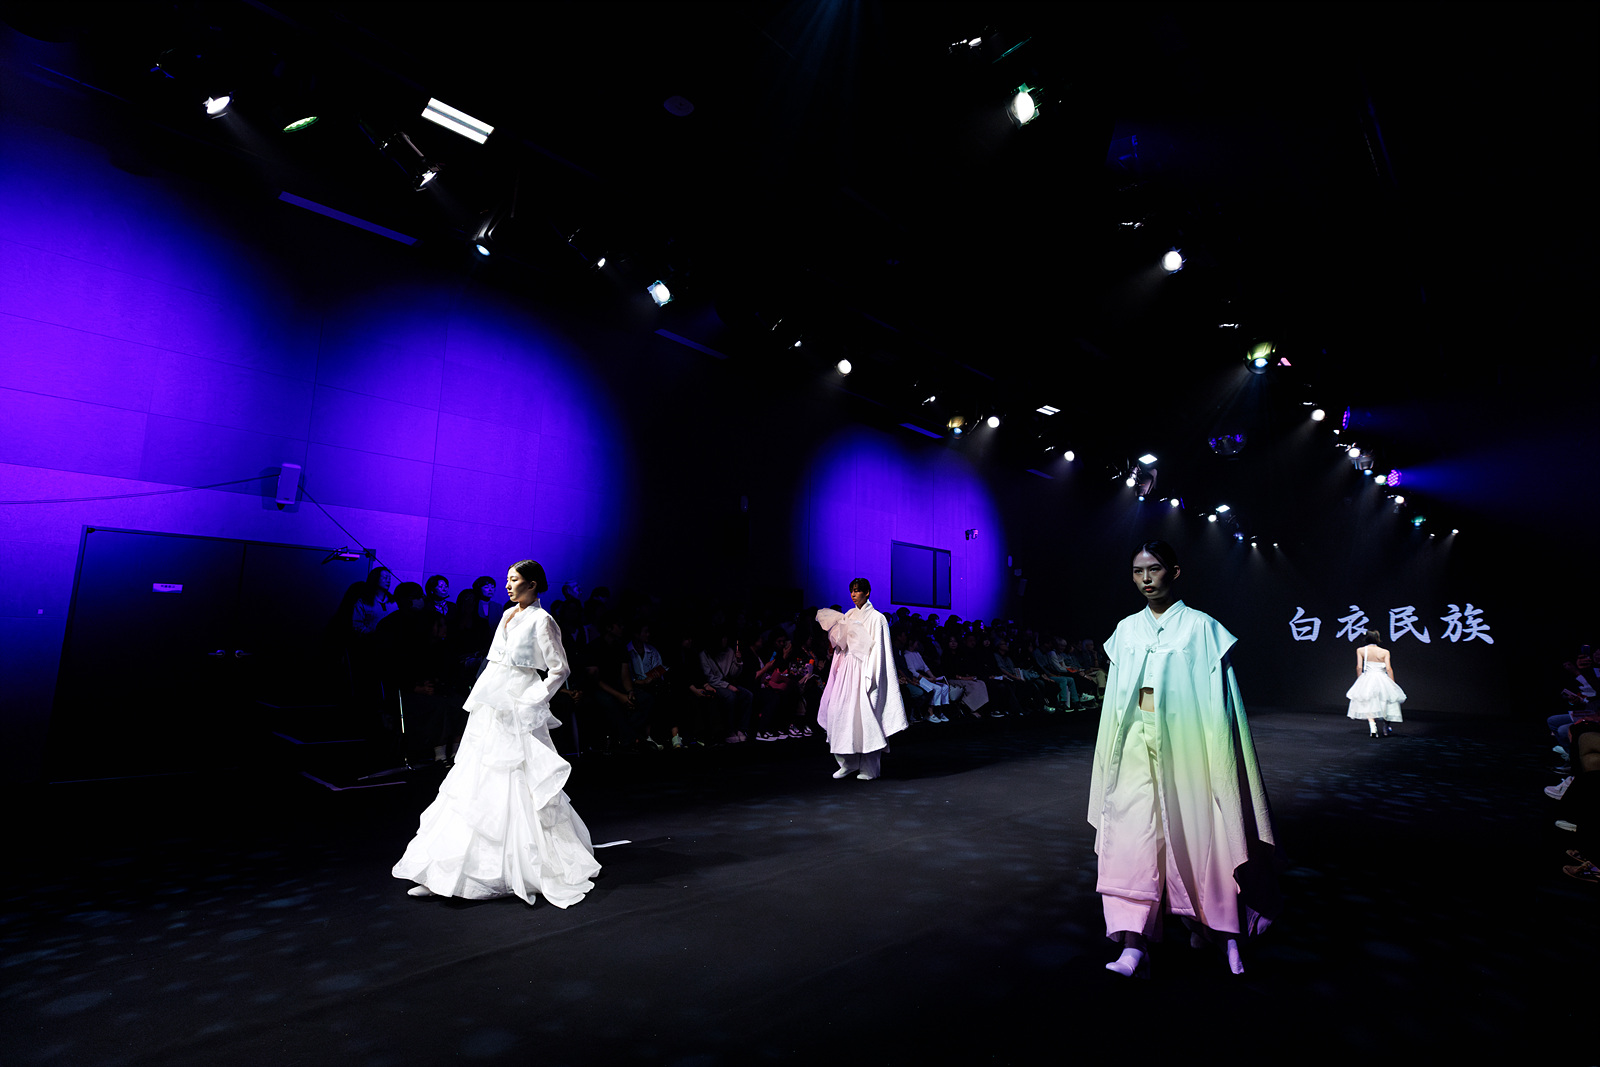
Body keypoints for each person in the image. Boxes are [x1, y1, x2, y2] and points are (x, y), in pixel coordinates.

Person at [1087, 541, 1277, 977]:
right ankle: (1133, 942)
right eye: (1137, 571)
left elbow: (1220, 703)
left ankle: (1223, 932)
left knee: (1203, 837)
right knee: (1131, 840)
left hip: (1190, 748)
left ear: (1174, 571)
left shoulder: (1201, 629)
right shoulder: (1127, 631)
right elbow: (1120, 700)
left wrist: (1215, 756)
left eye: (1154, 569)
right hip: (1135, 749)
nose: (1145, 579)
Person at [393, 559, 600, 908]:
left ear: (532, 584)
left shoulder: (543, 620)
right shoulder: (506, 614)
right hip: (493, 702)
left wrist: (533, 700)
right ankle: (445, 871)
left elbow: (559, 668)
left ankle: (515, 867)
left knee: (517, 777)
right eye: (507, 579)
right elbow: (495, 660)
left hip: (520, 704)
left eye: (514, 579)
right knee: (476, 777)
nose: (508, 585)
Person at [815, 578, 908, 780]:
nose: (853, 594)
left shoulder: (877, 618)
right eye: (852, 590)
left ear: (867, 593)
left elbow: (880, 650)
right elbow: (842, 646)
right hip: (847, 669)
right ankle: (847, 762)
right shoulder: (849, 614)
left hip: (864, 668)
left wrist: (872, 675)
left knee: (866, 717)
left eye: (857, 590)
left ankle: (869, 768)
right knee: (839, 713)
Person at [1346, 629, 1406, 737]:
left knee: (1369, 702)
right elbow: (1389, 668)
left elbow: (1359, 667)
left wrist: (1360, 679)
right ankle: (1386, 727)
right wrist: (1392, 683)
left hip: (1368, 678)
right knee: (1387, 701)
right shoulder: (1385, 652)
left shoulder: (1361, 650)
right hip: (1382, 678)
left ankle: (1373, 728)